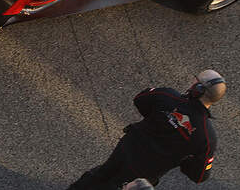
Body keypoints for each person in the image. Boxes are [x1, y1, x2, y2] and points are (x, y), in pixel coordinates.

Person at [68, 70, 227, 189]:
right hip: (147, 170)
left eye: (196, 81)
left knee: (101, 174)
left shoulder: (167, 96)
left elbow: (140, 100)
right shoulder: (207, 137)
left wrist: (157, 117)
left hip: (127, 148)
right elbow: (199, 176)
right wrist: (184, 161)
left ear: (199, 89)